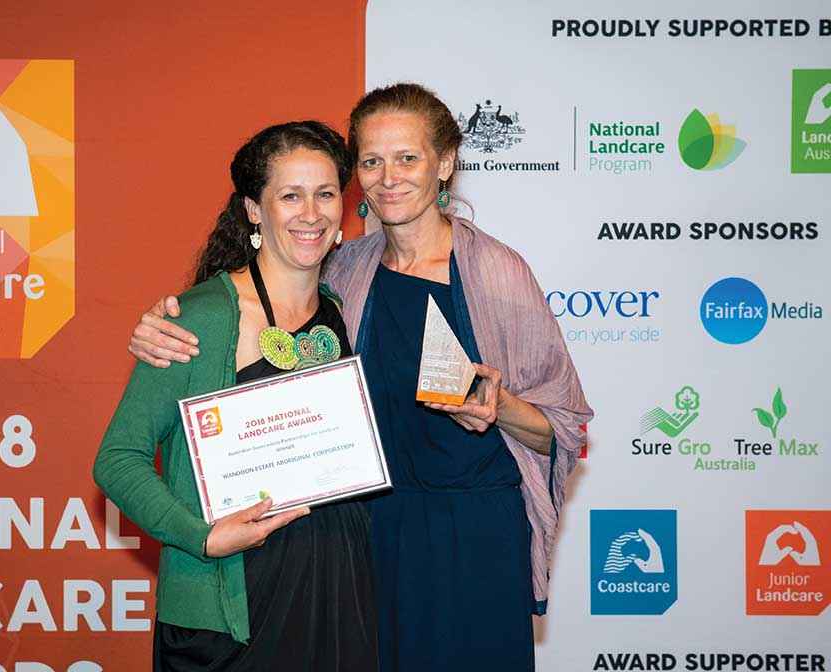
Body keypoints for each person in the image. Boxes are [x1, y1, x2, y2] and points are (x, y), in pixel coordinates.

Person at [127, 84, 593, 671]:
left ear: (444, 164)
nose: (388, 176)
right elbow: (247, 302)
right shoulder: (342, 273)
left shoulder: (497, 273)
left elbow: (564, 429)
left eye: (408, 158)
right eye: (371, 160)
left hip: (470, 540)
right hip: (366, 541)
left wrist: (500, 406)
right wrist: (157, 325)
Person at [95, 121, 378, 672]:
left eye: (325, 194)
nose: (311, 213)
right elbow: (117, 460)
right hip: (235, 604)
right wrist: (202, 538)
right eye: (290, 196)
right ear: (254, 208)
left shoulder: (339, 308)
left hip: (335, 587)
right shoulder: (198, 318)